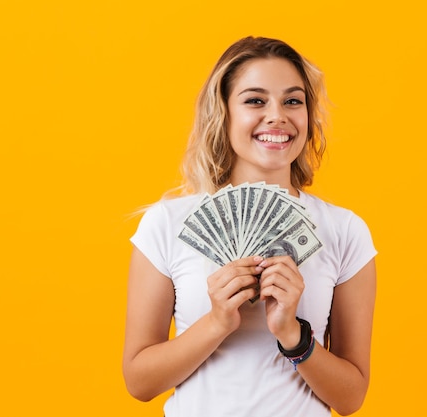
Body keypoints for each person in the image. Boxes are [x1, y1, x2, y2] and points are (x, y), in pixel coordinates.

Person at [123, 36, 378, 417]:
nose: (277, 115)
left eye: (293, 100)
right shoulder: (166, 224)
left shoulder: (344, 231)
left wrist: (293, 334)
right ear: (223, 112)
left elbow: (350, 397)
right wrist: (217, 322)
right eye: (255, 100)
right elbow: (139, 382)